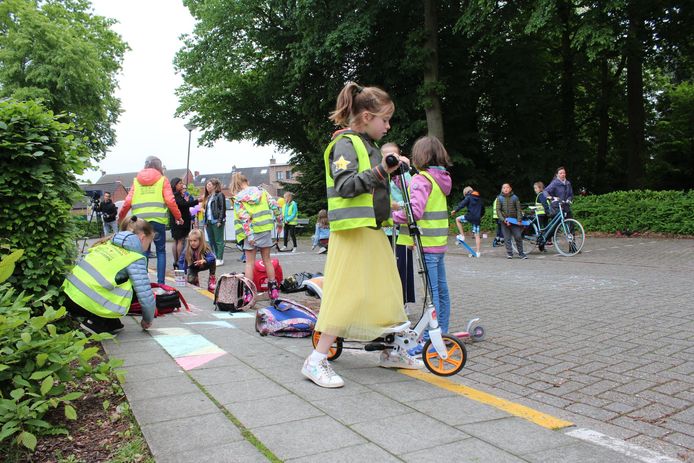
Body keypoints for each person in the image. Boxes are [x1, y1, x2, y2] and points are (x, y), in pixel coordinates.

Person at [302, 82, 418, 389]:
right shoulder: (346, 144)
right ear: (366, 116)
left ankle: (392, 350)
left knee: (387, 290)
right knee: (347, 295)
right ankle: (316, 360)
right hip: (352, 233)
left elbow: (372, 185)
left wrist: (388, 173)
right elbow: (346, 186)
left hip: (371, 230)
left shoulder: (369, 146)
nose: (388, 126)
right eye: (385, 119)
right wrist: (383, 170)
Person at [393, 136, 453, 356]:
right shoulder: (440, 178)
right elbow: (415, 191)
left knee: (432, 294)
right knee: (442, 291)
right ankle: (443, 333)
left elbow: (414, 211)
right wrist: (402, 176)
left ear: (420, 156)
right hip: (438, 244)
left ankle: (431, 337)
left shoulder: (422, 179)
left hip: (425, 245)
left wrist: (392, 216)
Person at [61, 217, 156, 334]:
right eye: (149, 241)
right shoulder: (135, 258)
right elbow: (146, 297)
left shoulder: (106, 244)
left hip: (68, 296)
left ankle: (111, 322)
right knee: (135, 289)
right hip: (85, 303)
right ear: (142, 238)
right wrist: (147, 320)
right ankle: (95, 322)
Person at [118, 156, 183, 284]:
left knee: (143, 251)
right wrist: (178, 217)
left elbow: (127, 203)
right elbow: (170, 201)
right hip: (157, 221)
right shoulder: (163, 180)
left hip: (139, 223)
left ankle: (142, 281)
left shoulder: (136, 181)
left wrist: (120, 218)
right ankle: (160, 284)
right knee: (160, 251)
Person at [230, 172, 282, 300]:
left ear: (237, 185)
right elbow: (275, 206)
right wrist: (280, 222)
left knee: (249, 264)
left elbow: (244, 218)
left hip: (250, 234)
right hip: (265, 229)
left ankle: (248, 293)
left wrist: (250, 236)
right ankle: (273, 289)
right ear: (246, 181)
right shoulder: (262, 192)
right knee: (267, 260)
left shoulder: (238, 199)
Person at [382, 142, 416, 307]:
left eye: (393, 156)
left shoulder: (403, 175)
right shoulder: (379, 174)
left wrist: (405, 170)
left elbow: (412, 197)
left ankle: (403, 301)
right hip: (384, 229)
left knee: (403, 266)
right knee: (385, 267)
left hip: (401, 228)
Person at [170, 177, 199, 270]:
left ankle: (176, 261)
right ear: (175, 185)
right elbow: (184, 205)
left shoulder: (173, 195)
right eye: (180, 183)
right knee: (180, 241)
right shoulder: (176, 195)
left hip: (175, 220)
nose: (182, 185)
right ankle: (179, 262)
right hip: (180, 220)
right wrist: (197, 201)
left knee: (176, 240)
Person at [496, 183, 527, 259]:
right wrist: (503, 220)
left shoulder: (515, 198)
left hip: (515, 221)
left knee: (518, 236)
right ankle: (510, 253)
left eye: (507, 187)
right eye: (504, 188)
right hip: (504, 221)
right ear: (502, 189)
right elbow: (498, 210)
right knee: (507, 238)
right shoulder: (499, 198)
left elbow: (518, 209)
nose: (505, 189)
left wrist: (519, 220)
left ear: (510, 189)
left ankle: (521, 253)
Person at [451, 186, 484, 257]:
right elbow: (483, 209)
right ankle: (478, 252)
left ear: (466, 193)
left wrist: (455, 210)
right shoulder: (479, 199)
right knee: (477, 235)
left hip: (470, 216)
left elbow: (462, 204)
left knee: (458, 219)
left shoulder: (469, 197)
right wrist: (480, 216)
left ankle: (462, 236)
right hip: (477, 218)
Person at [202, 178, 226, 266]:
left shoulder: (220, 195)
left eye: (209, 185)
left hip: (217, 221)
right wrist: (205, 221)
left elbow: (223, 208)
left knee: (219, 241)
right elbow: (207, 210)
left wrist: (220, 220)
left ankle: (220, 258)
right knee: (211, 241)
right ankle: (215, 256)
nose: (207, 186)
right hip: (209, 222)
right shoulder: (208, 197)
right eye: (207, 185)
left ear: (215, 186)